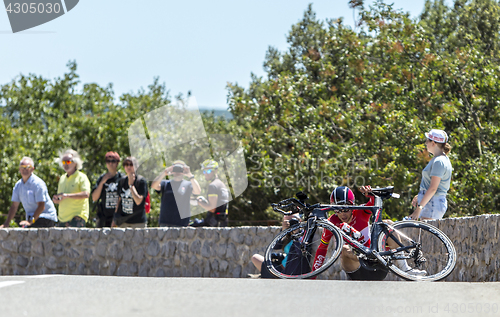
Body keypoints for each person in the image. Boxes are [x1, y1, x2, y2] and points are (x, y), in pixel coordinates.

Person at [312, 186, 425, 280]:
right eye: (338, 210)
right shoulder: (332, 221)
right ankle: (361, 252)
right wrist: (312, 277)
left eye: (345, 209)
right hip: (356, 269)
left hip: (377, 266)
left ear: (352, 205)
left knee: (387, 223)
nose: (342, 214)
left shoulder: (361, 211)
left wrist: (369, 194)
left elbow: (372, 203)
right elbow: (322, 248)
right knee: (344, 248)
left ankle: (405, 269)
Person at [1, 157, 58, 228]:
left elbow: (41, 206)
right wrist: (6, 223)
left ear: (32, 169)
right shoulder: (18, 186)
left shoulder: (38, 184)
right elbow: (14, 206)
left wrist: (30, 221)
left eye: (28, 167)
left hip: (45, 217)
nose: (25, 169)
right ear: (19, 169)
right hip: (32, 219)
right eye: (22, 167)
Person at [409, 129, 452, 220]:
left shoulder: (439, 161)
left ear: (433, 143)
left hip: (433, 203)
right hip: (431, 202)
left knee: (426, 233)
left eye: (427, 140)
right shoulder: (438, 159)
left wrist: (419, 208)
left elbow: (433, 188)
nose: (425, 143)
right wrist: (421, 195)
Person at [250, 213, 309, 278]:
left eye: (292, 220)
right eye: (287, 221)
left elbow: (300, 251)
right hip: (280, 267)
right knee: (255, 258)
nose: (290, 223)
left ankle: (262, 275)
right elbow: (275, 246)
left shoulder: (303, 235)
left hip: (289, 272)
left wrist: (296, 232)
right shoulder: (288, 236)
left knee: (257, 259)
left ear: (299, 221)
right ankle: (262, 275)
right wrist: (283, 231)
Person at [151, 160, 201, 227]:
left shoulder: (188, 184)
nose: (178, 171)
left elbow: (197, 191)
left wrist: (189, 175)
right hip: (165, 222)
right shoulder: (166, 183)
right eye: (176, 168)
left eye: (180, 169)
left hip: (182, 223)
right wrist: (164, 173)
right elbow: (154, 186)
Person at [52, 149, 91, 228]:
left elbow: (86, 194)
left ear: (75, 162)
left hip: (77, 218)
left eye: (68, 162)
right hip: (62, 219)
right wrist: (56, 200)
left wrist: (67, 195)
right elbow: (61, 197)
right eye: (63, 162)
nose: (66, 164)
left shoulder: (82, 177)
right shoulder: (62, 178)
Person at [191, 159, 229, 227]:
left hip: (212, 223)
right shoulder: (222, 184)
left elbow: (212, 209)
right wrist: (204, 201)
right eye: (204, 171)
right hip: (222, 222)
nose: (206, 174)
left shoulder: (213, 185)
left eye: (208, 171)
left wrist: (198, 202)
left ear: (215, 171)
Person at [112, 157, 148, 228]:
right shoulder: (121, 181)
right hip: (123, 222)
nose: (128, 167)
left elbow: (138, 201)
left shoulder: (141, 181)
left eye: (131, 164)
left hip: (138, 222)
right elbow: (119, 200)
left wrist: (131, 185)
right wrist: (114, 219)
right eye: (126, 164)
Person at [91, 152, 124, 228]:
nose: (110, 163)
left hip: (119, 217)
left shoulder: (122, 178)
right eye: (108, 161)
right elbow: (94, 198)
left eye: (113, 161)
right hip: (104, 218)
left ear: (117, 163)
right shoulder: (102, 178)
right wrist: (102, 182)